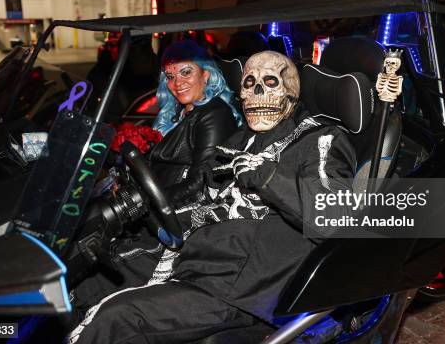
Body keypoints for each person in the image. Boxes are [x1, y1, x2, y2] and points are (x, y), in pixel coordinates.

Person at [69, 51, 357, 344]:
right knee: (81, 281)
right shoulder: (241, 139)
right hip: (196, 256)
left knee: (113, 317)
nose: (257, 93)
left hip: (238, 283)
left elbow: (333, 216)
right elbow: (206, 194)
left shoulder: (321, 139)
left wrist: (267, 177)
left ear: (291, 91)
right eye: (249, 83)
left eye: (269, 83)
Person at [149, 40, 243, 206]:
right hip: (162, 202)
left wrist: (147, 202)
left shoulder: (215, 114)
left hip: (185, 214)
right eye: (170, 77)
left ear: (205, 75)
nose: (177, 83)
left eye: (186, 72)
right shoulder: (176, 113)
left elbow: (200, 184)